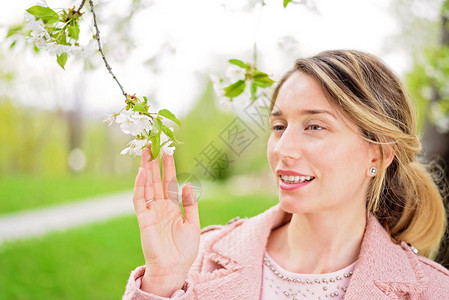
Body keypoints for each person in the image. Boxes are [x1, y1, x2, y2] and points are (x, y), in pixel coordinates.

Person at [123, 50, 449, 300]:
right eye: (279, 127)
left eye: (315, 126)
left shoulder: (432, 290)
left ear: (377, 153)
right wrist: (162, 281)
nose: (283, 149)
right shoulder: (198, 258)